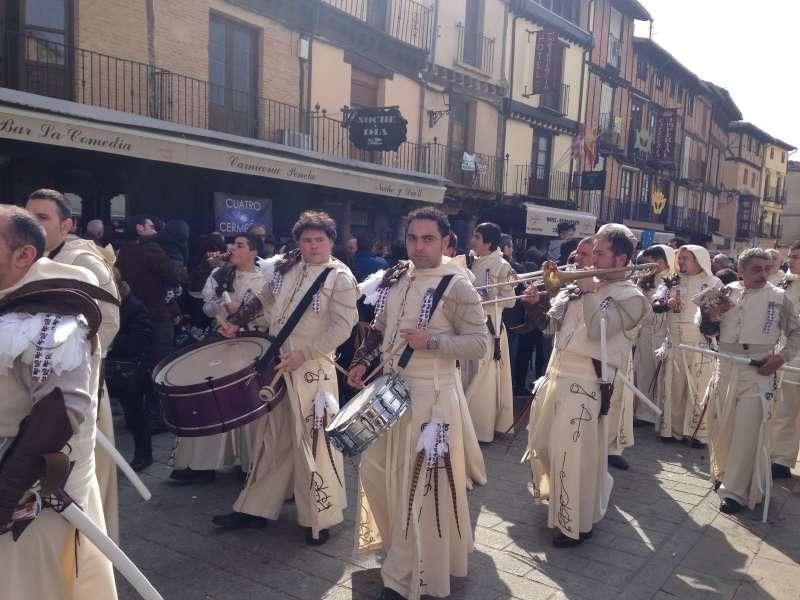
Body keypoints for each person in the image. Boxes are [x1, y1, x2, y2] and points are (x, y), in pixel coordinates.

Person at [347, 207, 487, 600]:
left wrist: (434, 342)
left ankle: (409, 575)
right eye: (413, 238)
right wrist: (361, 361)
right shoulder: (396, 278)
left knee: (421, 488)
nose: (420, 246)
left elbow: (480, 343)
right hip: (389, 394)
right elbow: (378, 328)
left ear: (445, 242)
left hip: (433, 400)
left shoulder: (457, 285)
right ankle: (397, 554)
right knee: (380, 475)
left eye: (428, 239)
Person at [212, 211, 358, 546]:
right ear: (298, 242)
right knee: (270, 438)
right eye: (306, 240)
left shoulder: (341, 277)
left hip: (312, 370)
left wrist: (304, 354)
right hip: (277, 363)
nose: (312, 246)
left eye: (319, 239)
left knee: (314, 443)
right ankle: (255, 509)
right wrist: (238, 322)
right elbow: (265, 297)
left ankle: (320, 518)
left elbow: (343, 327)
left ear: (331, 241)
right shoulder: (288, 266)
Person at [0, 205, 117, 599]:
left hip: (26, 491)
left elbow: (59, 412)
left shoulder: (55, 310)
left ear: (24, 256)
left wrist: (5, 494)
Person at [523, 225, 648, 547]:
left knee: (573, 453)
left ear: (621, 257)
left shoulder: (631, 297)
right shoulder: (582, 287)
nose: (591, 260)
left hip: (589, 381)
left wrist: (590, 289)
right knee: (546, 445)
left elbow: (598, 333)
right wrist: (535, 304)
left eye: (600, 254)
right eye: (590, 254)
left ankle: (576, 524)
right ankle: (562, 502)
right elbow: (550, 327)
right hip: (558, 374)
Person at [25, 189, 122, 541]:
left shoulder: (84, 262)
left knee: (76, 476)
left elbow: (107, 323)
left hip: (76, 388)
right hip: (31, 390)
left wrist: (69, 367)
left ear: (67, 225)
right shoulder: (30, 257)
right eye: (28, 215)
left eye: (42, 217)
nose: (32, 223)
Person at [700, 248, 800, 514]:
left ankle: (735, 492)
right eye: (756, 269)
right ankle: (723, 473)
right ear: (741, 270)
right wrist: (709, 317)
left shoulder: (779, 297)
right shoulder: (725, 292)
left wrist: (780, 358)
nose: (763, 274)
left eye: (766, 269)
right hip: (725, 367)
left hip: (758, 371)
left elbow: (796, 333)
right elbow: (706, 328)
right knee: (723, 428)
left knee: (747, 431)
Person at [171, 233, 268, 485]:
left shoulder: (266, 277)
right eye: (232, 245)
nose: (232, 249)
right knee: (211, 399)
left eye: (239, 245)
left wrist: (244, 313)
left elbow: (272, 315)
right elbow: (206, 306)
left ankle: (251, 463)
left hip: (254, 345)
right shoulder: (220, 275)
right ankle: (201, 465)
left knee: (250, 403)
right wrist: (220, 308)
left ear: (254, 252)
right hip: (223, 340)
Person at [116, 215, 184, 426]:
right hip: (156, 315)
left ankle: (133, 416)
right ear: (139, 228)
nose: (157, 230)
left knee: (136, 366)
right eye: (153, 227)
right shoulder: (151, 249)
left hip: (132, 316)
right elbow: (175, 275)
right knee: (159, 366)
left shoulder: (123, 251)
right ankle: (158, 417)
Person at [653, 245, 722, 446]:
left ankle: (696, 433)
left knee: (698, 390)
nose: (681, 262)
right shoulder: (671, 280)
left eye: (685, 258)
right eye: (679, 258)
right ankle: (671, 430)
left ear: (698, 260)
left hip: (699, 344)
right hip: (674, 342)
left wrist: (710, 317)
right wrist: (667, 304)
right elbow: (655, 304)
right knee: (673, 387)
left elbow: (718, 317)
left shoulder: (713, 282)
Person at [465, 222, 516, 442]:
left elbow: (512, 301)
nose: (472, 241)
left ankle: (480, 430)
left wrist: (489, 298)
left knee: (482, 382)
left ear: (488, 242)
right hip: (467, 328)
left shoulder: (502, 266)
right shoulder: (469, 261)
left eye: (477, 237)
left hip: (489, 329)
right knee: (468, 376)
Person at [107, 279, 154, 471]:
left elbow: (140, 339)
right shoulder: (104, 304)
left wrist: (109, 339)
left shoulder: (133, 306)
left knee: (135, 414)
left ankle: (144, 454)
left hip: (128, 369)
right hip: (109, 366)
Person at [632, 245, 674, 426]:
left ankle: (660, 414)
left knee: (662, 374)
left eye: (658, 260)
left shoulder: (674, 281)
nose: (653, 264)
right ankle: (642, 412)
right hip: (645, 331)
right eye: (650, 260)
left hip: (664, 332)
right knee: (643, 372)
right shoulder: (643, 280)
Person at [770, 241, 800, 479]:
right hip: (788, 354)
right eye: (790, 256)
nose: (792, 261)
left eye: (797, 256)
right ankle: (780, 459)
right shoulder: (783, 284)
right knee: (784, 409)